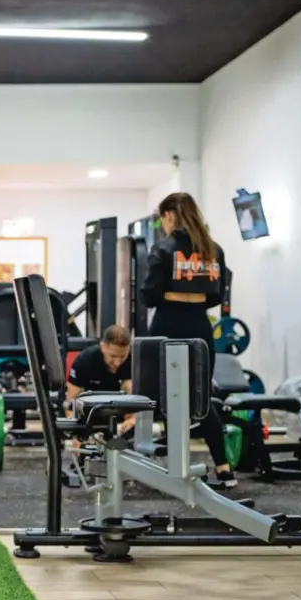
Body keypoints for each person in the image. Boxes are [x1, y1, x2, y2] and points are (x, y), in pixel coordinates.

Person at [140, 192, 236, 489]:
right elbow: (215, 296)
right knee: (201, 397)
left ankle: (174, 467)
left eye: (162, 218)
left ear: (170, 215)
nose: (163, 224)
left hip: (167, 323)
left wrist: (172, 294)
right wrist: (191, 296)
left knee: (162, 395)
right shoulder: (214, 250)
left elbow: (149, 295)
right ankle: (224, 469)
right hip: (199, 326)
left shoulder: (163, 249)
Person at [65, 324, 134, 436]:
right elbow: (71, 403)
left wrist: (132, 420)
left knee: (130, 384)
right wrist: (76, 431)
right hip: (91, 413)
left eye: (122, 357)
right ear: (102, 347)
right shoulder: (85, 361)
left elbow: (136, 397)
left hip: (119, 412)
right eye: (113, 356)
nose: (117, 362)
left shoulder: (133, 361)